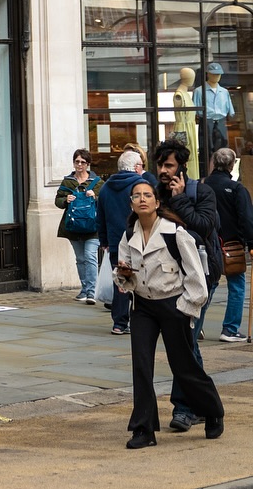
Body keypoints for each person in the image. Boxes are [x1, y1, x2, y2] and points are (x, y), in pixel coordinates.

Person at [115, 180, 224, 448]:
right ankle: (143, 430)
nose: (142, 199)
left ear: (157, 202)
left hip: (173, 304)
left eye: (147, 195)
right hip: (142, 307)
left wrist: (186, 308)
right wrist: (124, 275)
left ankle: (212, 411)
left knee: (183, 366)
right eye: (137, 196)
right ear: (131, 204)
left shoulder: (175, 233)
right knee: (141, 367)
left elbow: (196, 276)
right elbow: (123, 279)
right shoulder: (129, 234)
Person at [153, 137, 222, 433]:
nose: (163, 171)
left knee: (185, 343)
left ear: (182, 167)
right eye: (160, 165)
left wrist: (180, 199)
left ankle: (184, 409)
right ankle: (204, 404)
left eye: (169, 165)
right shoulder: (155, 194)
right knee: (187, 344)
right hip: (167, 280)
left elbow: (203, 227)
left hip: (200, 279)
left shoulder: (202, 192)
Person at [96, 149, 156, 335]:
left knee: (121, 281)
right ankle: (145, 320)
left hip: (115, 241)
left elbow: (101, 217)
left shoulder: (106, 187)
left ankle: (119, 323)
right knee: (145, 278)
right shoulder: (141, 186)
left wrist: (104, 241)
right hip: (139, 240)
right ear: (137, 167)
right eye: (141, 166)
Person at [205, 146, 253, 342]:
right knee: (237, 285)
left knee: (209, 284)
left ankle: (194, 323)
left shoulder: (203, 185)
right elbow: (246, 218)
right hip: (231, 243)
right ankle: (230, 328)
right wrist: (251, 243)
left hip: (208, 242)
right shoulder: (236, 189)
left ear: (215, 163)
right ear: (232, 165)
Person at [56, 148, 104, 304]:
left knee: (90, 256)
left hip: (93, 227)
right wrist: (66, 200)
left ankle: (91, 292)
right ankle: (84, 289)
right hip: (74, 226)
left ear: (88, 164)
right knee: (80, 258)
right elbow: (57, 201)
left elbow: (105, 201)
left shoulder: (97, 183)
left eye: (83, 162)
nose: (79, 165)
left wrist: (95, 196)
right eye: (77, 161)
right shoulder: (67, 182)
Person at [195, 62, 234, 159]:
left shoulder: (224, 92)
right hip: (206, 122)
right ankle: (207, 171)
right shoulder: (199, 91)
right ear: (208, 74)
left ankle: (222, 170)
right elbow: (194, 110)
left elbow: (230, 110)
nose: (217, 76)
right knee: (207, 149)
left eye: (218, 74)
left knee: (223, 150)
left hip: (221, 121)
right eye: (214, 74)